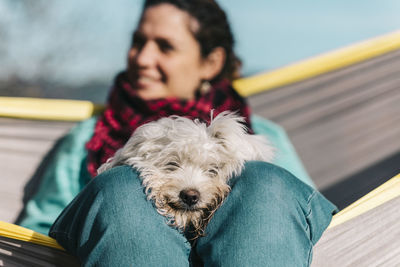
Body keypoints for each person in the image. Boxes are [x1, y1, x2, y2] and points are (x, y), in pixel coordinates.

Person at [19, 0, 336, 265]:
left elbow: (297, 226)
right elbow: (40, 233)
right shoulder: (89, 137)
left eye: (165, 47)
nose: (143, 58)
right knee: (120, 187)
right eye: (138, 42)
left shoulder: (264, 135)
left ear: (211, 62)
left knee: (265, 182)